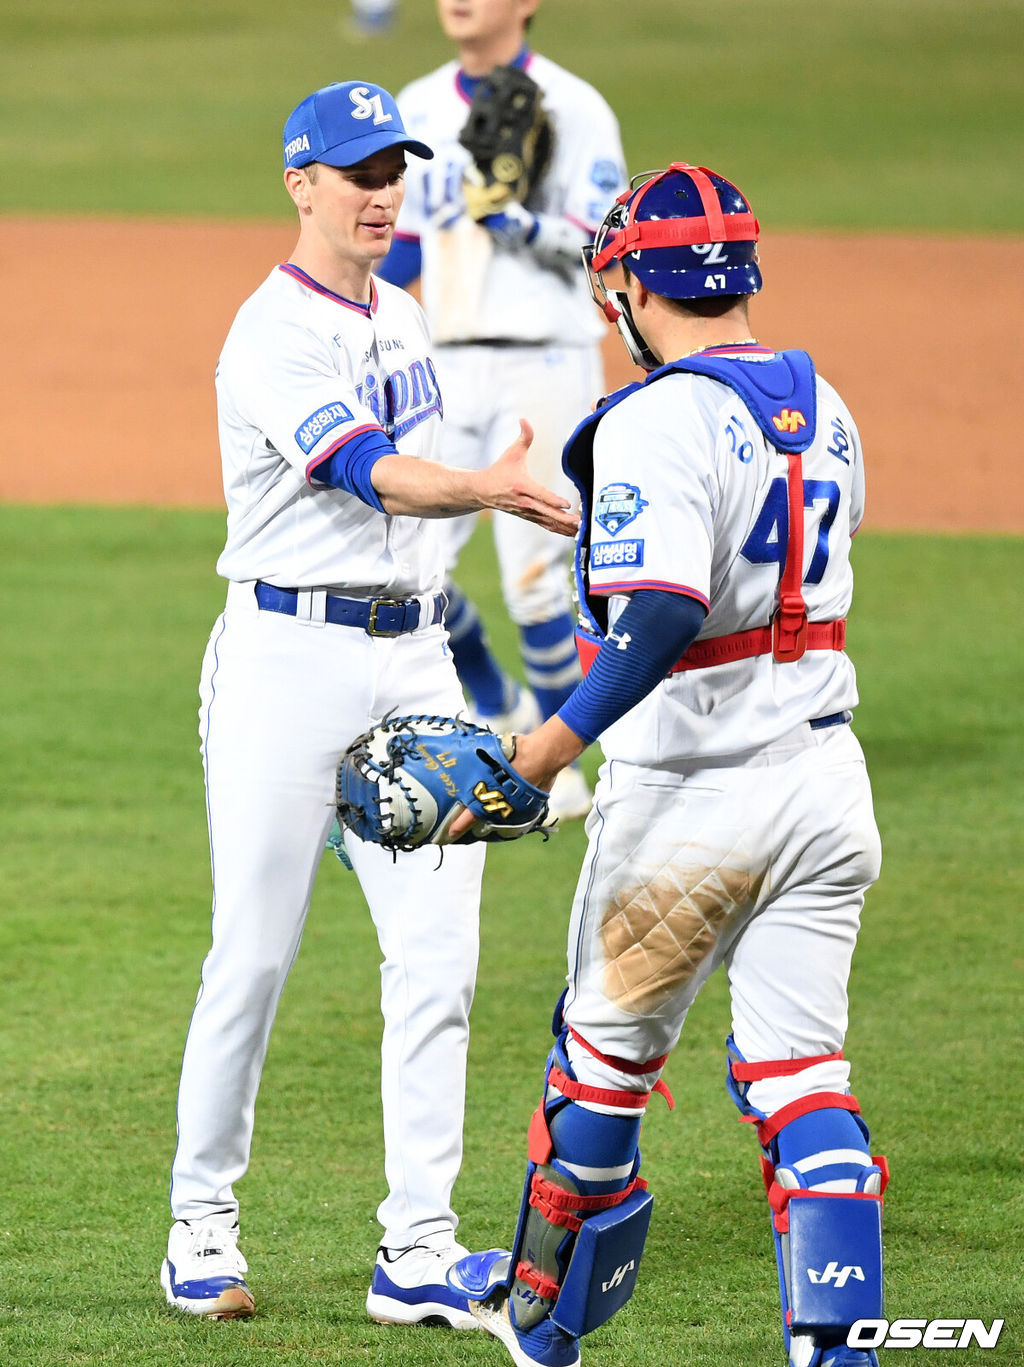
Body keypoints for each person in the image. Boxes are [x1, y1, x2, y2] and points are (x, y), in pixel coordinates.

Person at [445, 164, 888, 1367]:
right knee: (805, 1082)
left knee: (595, 1074)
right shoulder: (826, 400)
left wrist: (536, 755)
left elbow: (656, 618)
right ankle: (836, 1351)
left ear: (634, 283)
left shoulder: (651, 416)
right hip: (825, 789)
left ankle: (540, 1329)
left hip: (692, 802)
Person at [159, 79, 577, 1328]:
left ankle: (420, 1247)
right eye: (356, 172)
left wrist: (452, 614)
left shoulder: (402, 314)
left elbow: (408, 537)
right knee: (256, 951)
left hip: (409, 660)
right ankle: (200, 1226)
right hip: (286, 663)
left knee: (440, 954)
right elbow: (369, 474)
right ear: (300, 183)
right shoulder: (269, 332)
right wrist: (487, 489)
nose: (381, 191)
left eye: (392, 168)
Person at [375, 0, 627, 821]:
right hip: (443, 360)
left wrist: (517, 223)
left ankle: (569, 767)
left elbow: (603, 243)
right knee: (412, 570)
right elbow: (403, 244)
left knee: (537, 585)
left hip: (544, 358)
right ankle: (502, 704)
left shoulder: (576, 105)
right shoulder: (416, 104)